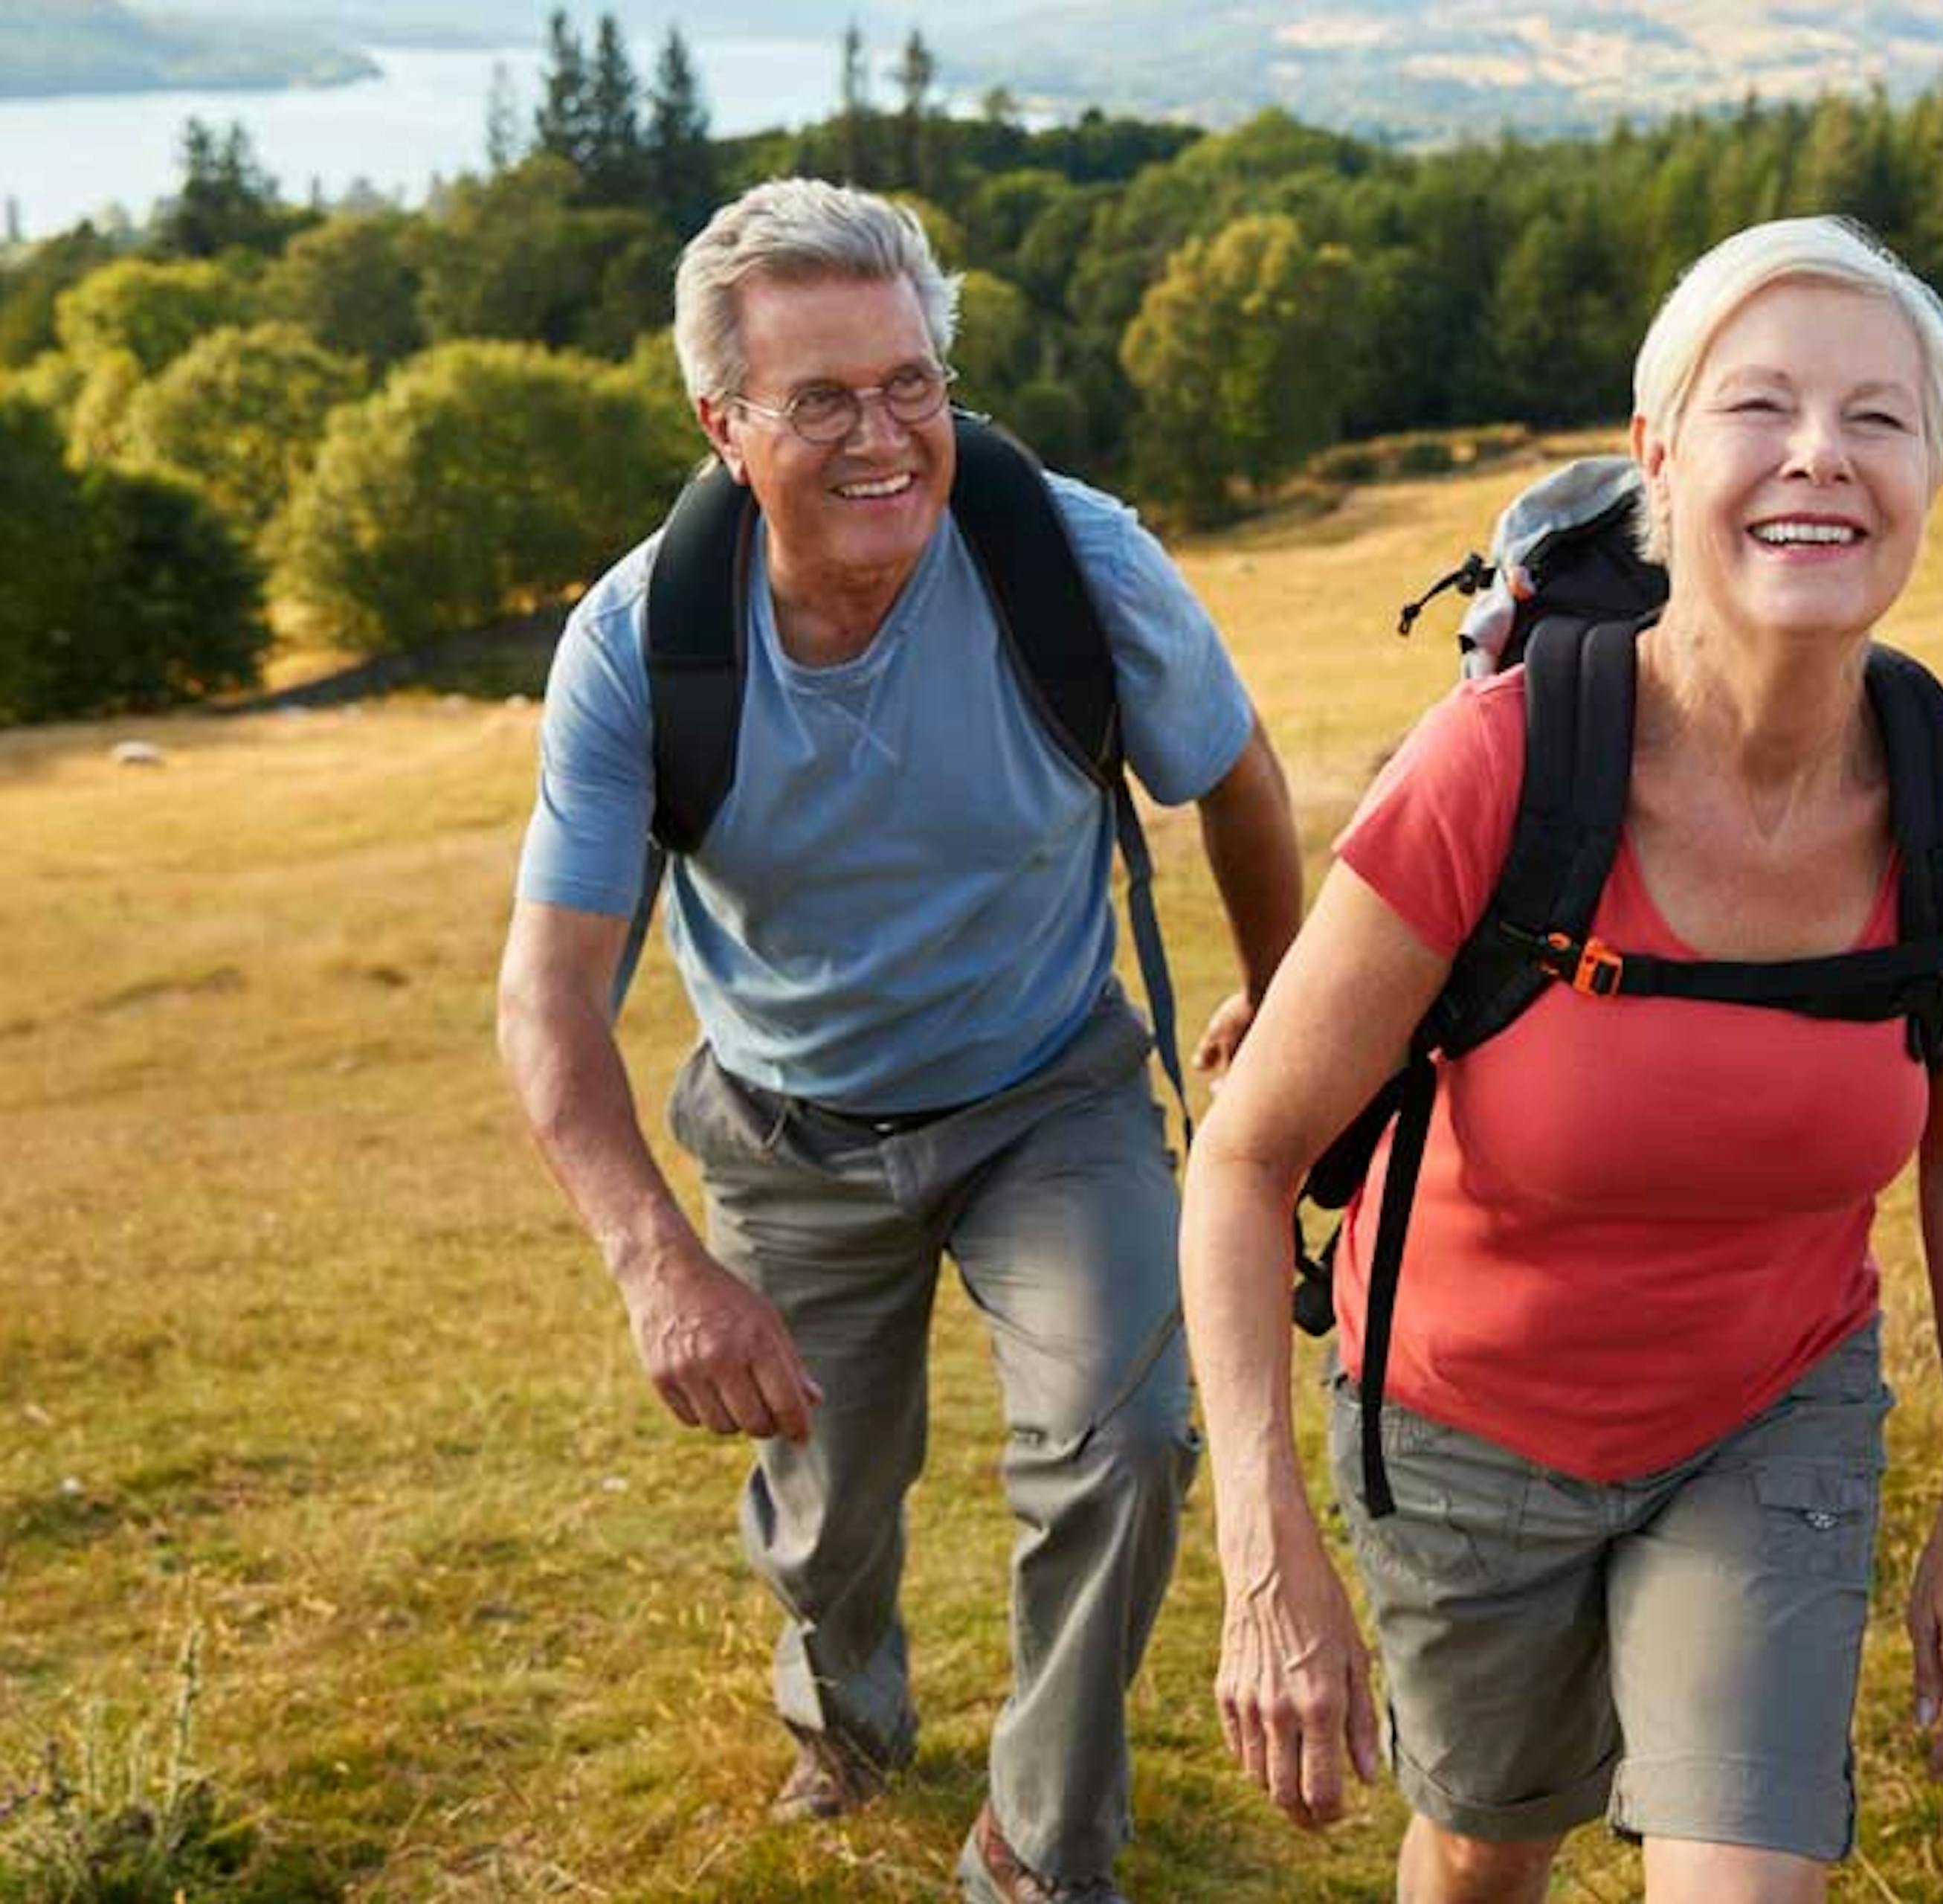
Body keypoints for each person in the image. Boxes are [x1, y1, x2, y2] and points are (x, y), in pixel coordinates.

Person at [1178, 215, 1943, 1903]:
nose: (1820, 455)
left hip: (1771, 1413)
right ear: (1659, 459)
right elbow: (1244, 1160)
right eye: (1760, 406)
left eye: (1880, 418)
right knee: (1484, 1847)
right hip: (1461, 1422)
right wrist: (1264, 1553)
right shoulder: (1496, 770)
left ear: (1933, 476)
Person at [495, 178, 1301, 1904]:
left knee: (1129, 1433)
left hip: (1051, 1092)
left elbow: (1233, 777)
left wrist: (1286, 1008)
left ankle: (1039, 1838)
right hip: (789, 1125)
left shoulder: (1068, 555)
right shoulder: (642, 644)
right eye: (823, 399)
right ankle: (844, 1717)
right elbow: (547, 995)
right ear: (723, 423)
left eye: (913, 382)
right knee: (826, 1509)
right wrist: (659, 1264)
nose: (887, 435)